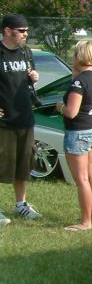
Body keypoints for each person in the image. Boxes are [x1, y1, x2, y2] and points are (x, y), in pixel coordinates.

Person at [56, 40, 92, 232]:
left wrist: (60, 107)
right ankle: (91, 216)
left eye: (75, 54)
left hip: (79, 132)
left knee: (82, 179)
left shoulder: (79, 82)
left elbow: (71, 112)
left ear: (79, 56)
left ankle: (85, 223)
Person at [0, 13, 41, 227]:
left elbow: (27, 79)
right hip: (3, 121)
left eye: (27, 30)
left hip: (25, 117)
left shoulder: (26, 52)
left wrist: (34, 77)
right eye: (21, 31)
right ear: (7, 30)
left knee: (24, 164)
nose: (25, 34)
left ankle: (21, 204)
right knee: (1, 164)